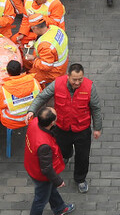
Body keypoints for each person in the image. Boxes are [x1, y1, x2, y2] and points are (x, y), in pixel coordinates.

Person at [24, 63, 103, 193]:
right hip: (61, 127)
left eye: (80, 79)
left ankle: (80, 179)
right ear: (68, 76)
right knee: (62, 150)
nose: (77, 82)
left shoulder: (89, 87)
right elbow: (42, 97)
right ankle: (66, 156)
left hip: (82, 129)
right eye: (74, 79)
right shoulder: (57, 84)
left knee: (83, 157)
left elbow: (96, 108)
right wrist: (32, 110)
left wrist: (97, 128)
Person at [23, 107, 75, 215]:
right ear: (51, 123)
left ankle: (59, 208)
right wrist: (58, 180)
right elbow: (46, 168)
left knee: (50, 190)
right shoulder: (44, 145)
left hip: (31, 165)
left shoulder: (35, 122)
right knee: (40, 199)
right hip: (40, 175)